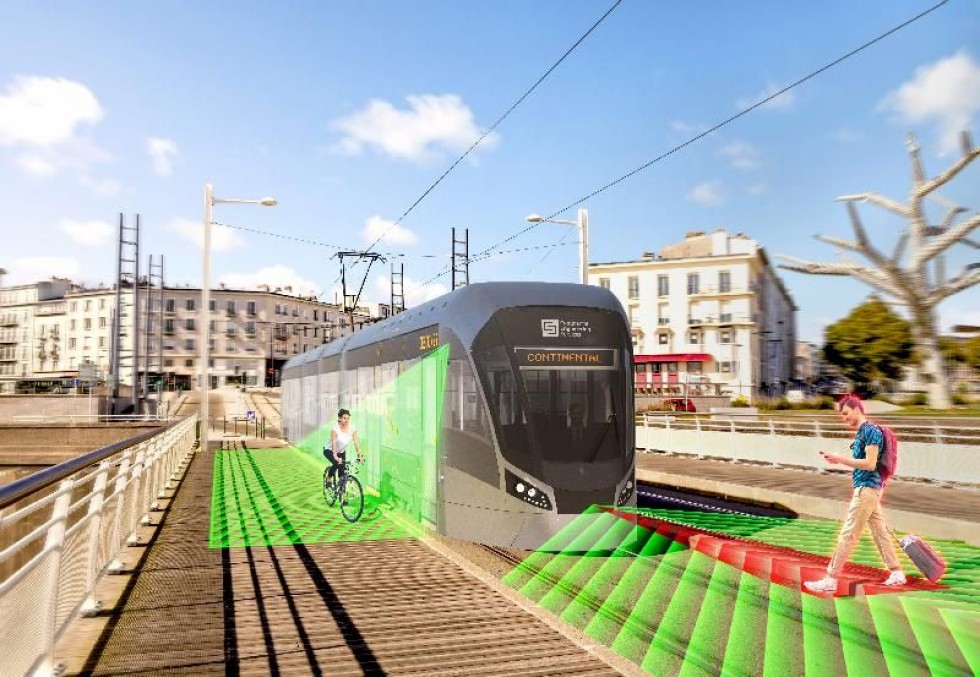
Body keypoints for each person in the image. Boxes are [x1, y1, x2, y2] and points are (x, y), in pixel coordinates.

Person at [804, 395, 906, 593]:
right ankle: (897, 573)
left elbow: (869, 463)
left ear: (857, 409)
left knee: (847, 534)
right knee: (879, 533)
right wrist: (838, 460)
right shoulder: (862, 432)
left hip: (867, 490)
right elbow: (863, 464)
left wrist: (840, 459)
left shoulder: (869, 431)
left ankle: (830, 579)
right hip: (869, 489)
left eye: (846, 413)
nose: (844, 418)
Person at [324, 408, 363, 484]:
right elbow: (334, 445)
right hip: (330, 450)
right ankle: (328, 477)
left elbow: (356, 443)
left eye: (348, 418)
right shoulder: (335, 429)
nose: (346, 420)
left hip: (341, 452)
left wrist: (360, 455)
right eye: (344, 418)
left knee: (343, 474)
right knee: (336, 463)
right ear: (339, 418)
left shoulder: (352, 428)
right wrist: (335, 457)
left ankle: (342, 493)